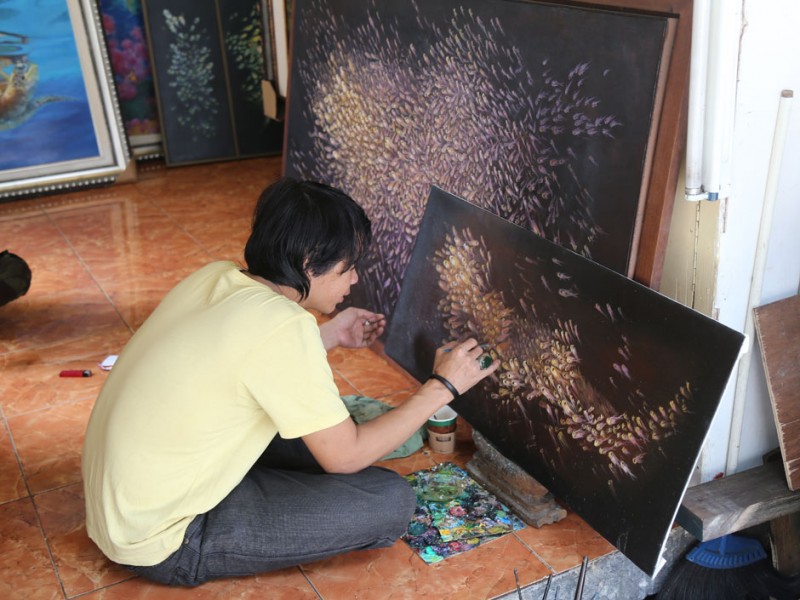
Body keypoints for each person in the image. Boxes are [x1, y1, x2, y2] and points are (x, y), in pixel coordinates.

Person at [81, 178, 499, 587]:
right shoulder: (284, 325)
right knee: (390, 499)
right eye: (348, 267)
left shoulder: (215, 276)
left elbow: (247, 357)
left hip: (123, 503)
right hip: (163, 539)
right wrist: (442, 386)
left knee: (321, 428)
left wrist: (329, 334)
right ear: (309, 262)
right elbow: (345, 458)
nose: (354, 280)